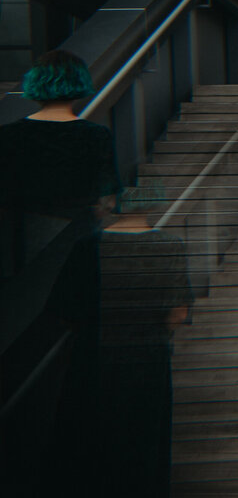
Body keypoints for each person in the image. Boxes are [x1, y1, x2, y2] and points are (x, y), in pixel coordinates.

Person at [0, 50, 121, 496]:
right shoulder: (95, 137)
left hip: (22, 258)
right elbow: (108, 202)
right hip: (79, 256)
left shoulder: (7, 138)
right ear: (78, 83)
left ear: (37, 84)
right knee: (77, 361)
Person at [97, 184, 193, 497]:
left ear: (112, 205)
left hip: (100, 360)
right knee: (148, 443)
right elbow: (178, 313)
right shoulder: (170, 246)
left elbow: (66, 312)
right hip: (150, 358)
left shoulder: (92, 247)